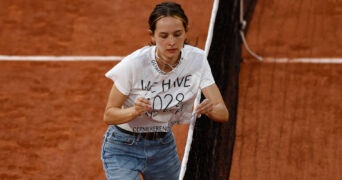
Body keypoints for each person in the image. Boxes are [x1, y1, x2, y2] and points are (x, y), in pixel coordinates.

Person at [101, 2, 229, 180]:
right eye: (163, 36)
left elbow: (223, 113)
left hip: (163, 149)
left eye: (177, 34)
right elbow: (109, 115)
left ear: (186, 32)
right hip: (123, 147)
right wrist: (134, 111)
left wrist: (210, 109)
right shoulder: (134, 64)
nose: (171, 42)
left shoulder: (196, 60)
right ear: (152, 36)